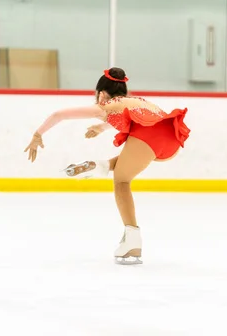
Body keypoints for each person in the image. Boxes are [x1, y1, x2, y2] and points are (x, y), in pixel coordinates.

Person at [24, 67, 190, 265]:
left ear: (102, 93)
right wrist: (101, 127)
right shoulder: (136, 100)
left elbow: (59, 114)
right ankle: (100, 165)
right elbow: (134, 117)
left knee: (121, 180)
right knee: (125, 164)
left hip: (149, 138)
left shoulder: (105, 105)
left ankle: (132, 241)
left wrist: (37, 134)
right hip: (171, 140)